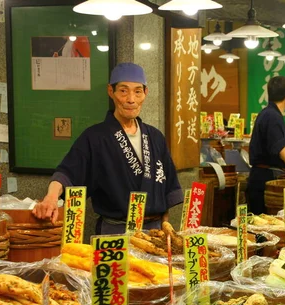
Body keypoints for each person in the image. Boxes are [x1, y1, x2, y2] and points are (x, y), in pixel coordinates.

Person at [32, 63, 183, 234]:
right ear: (111, 91)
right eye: (123, 91)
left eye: (138, 91)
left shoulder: (155, 137)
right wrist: (51, 198)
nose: (131, 99)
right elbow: (67, 172)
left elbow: (167, 187)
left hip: (154, 232)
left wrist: (165, 226)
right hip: (114, 231)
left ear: (145, 93)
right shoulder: (95, 137)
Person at [247, 76, 285, 215]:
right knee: (264, 225)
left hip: (261, 175)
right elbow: (279, 146)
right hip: (265, 179)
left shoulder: (268, 113)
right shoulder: (272, 116)